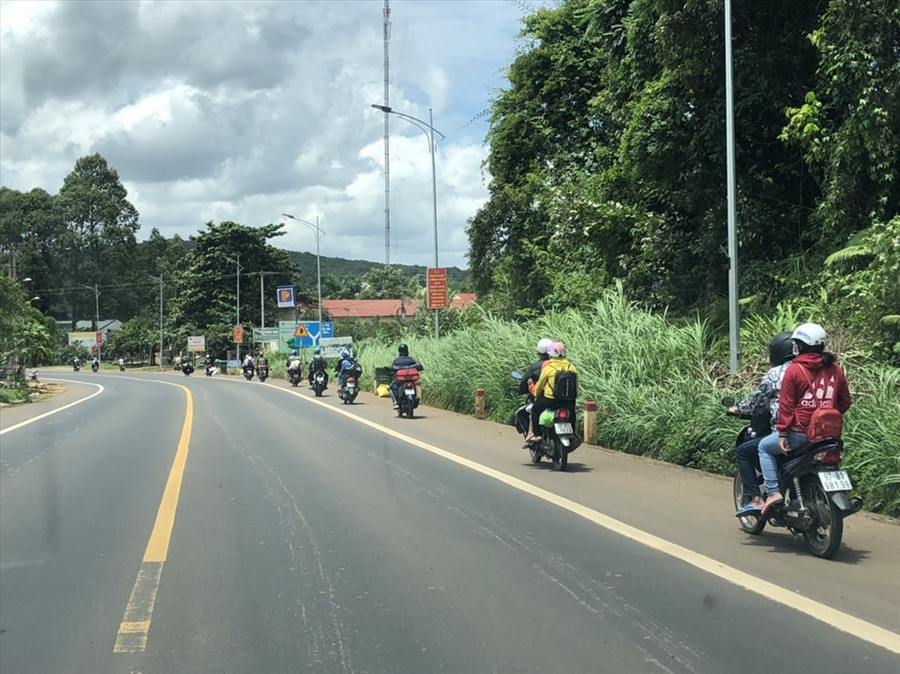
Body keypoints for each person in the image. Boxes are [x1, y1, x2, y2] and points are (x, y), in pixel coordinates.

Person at [758, 322, 852, 513]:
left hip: (800, 434)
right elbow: (845, 401)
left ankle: (773, 492)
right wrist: (826, 415)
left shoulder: (794, 370)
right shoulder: (835, 369)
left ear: (799, 346)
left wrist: (783, 433)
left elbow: (786, 406)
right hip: (828, 436)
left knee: (764, 447)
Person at [730, 331, 794, 516]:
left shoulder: (777, 373)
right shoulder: (817, 370)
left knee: (745, 451)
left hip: (789, 431)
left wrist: (738, 409)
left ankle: (758, 499)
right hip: (821, 433)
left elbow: (757, 402)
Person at [527, 341, 577, 444]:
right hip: (568, 400)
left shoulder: (548, 368)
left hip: (550, 399)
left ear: (550, 354)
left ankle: (536, 434)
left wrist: (536, 394)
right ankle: (572, 432)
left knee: (535, 410)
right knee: (572, 412)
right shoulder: (571, 367)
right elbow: (576, 385)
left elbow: (540, 385)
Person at [517, 338, 554, 446]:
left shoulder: (536, 367)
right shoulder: (561, 365)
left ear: (539, 352)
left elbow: (526, 382)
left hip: (543, 398)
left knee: (533, 411)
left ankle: (533, 434)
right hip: (562, 400)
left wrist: (523, 388)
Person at [389, 343, 423, 409]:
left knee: (391, 388)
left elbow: (392, 369)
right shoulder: (411, 359)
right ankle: (416, 398)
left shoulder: (397, 360)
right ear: (407, 350)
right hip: (411, 379)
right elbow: (419, 367)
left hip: (401, 380)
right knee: (416, 385)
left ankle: (395, 402)